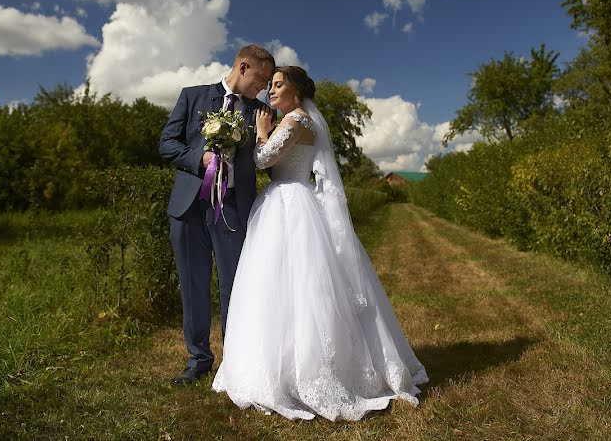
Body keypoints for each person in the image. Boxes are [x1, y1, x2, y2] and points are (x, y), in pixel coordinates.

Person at [213, 66, 428, 420]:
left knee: (297, 285)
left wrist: (261, 133)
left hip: (289, 202)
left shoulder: (295, 120)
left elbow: (265, 159)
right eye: (270, 86)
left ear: (296, 91)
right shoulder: (300, 120)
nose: (271, 91)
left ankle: (306, 370)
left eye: (278, 85)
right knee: (282, 286)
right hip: (289, 199)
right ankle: (284, 363)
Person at [158, 45, 275, 385]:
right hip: (188, 207)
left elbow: (267, 158)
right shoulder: (192, 96)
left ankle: (235, 360)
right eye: (261, 78)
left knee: (235, 287)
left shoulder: (262, 112)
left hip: (234, 210)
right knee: (193, 285)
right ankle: (198, 359)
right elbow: (167, 143)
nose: (264, 86)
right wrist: (201, 159)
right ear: (242, 66)